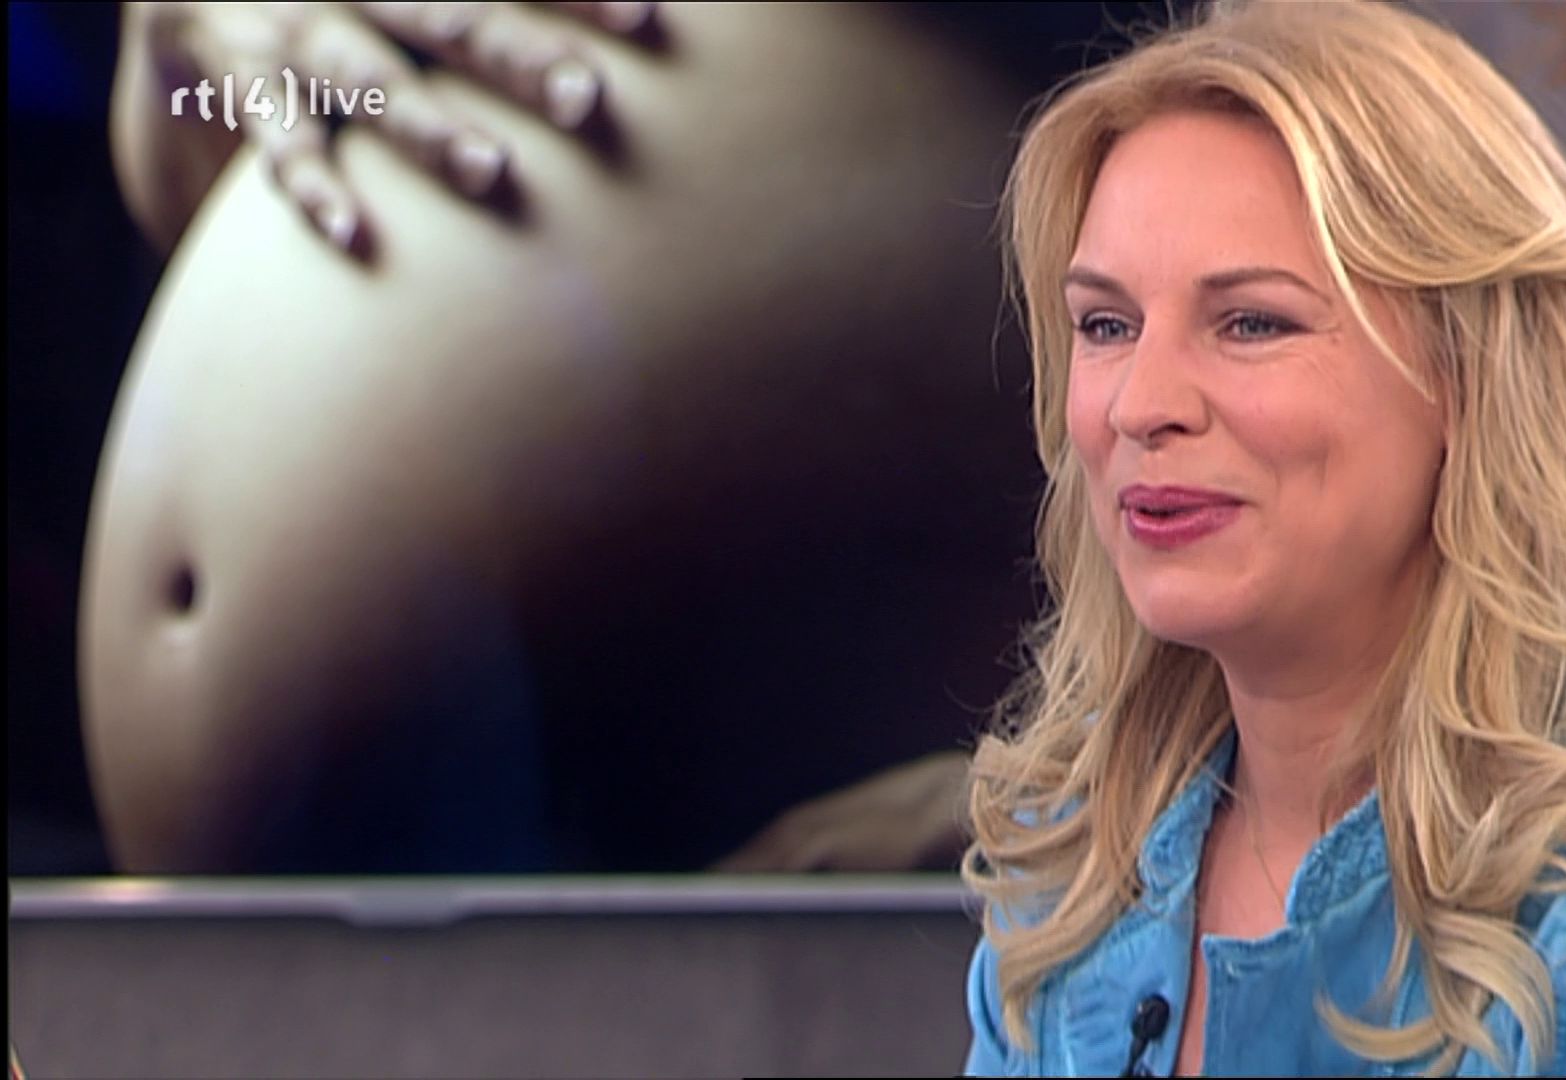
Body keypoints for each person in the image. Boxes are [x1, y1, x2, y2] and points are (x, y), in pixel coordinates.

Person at [959, 1, 1566, 1076]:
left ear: (1470, 373)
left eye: (1251, 322)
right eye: (1106, 325)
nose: (1139, 405)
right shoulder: (1072, 879)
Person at [84, 1, 1140, 874]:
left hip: (814, 864)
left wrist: (1109, 787)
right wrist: (182, 39)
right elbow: (186, 163)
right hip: (226, 924)